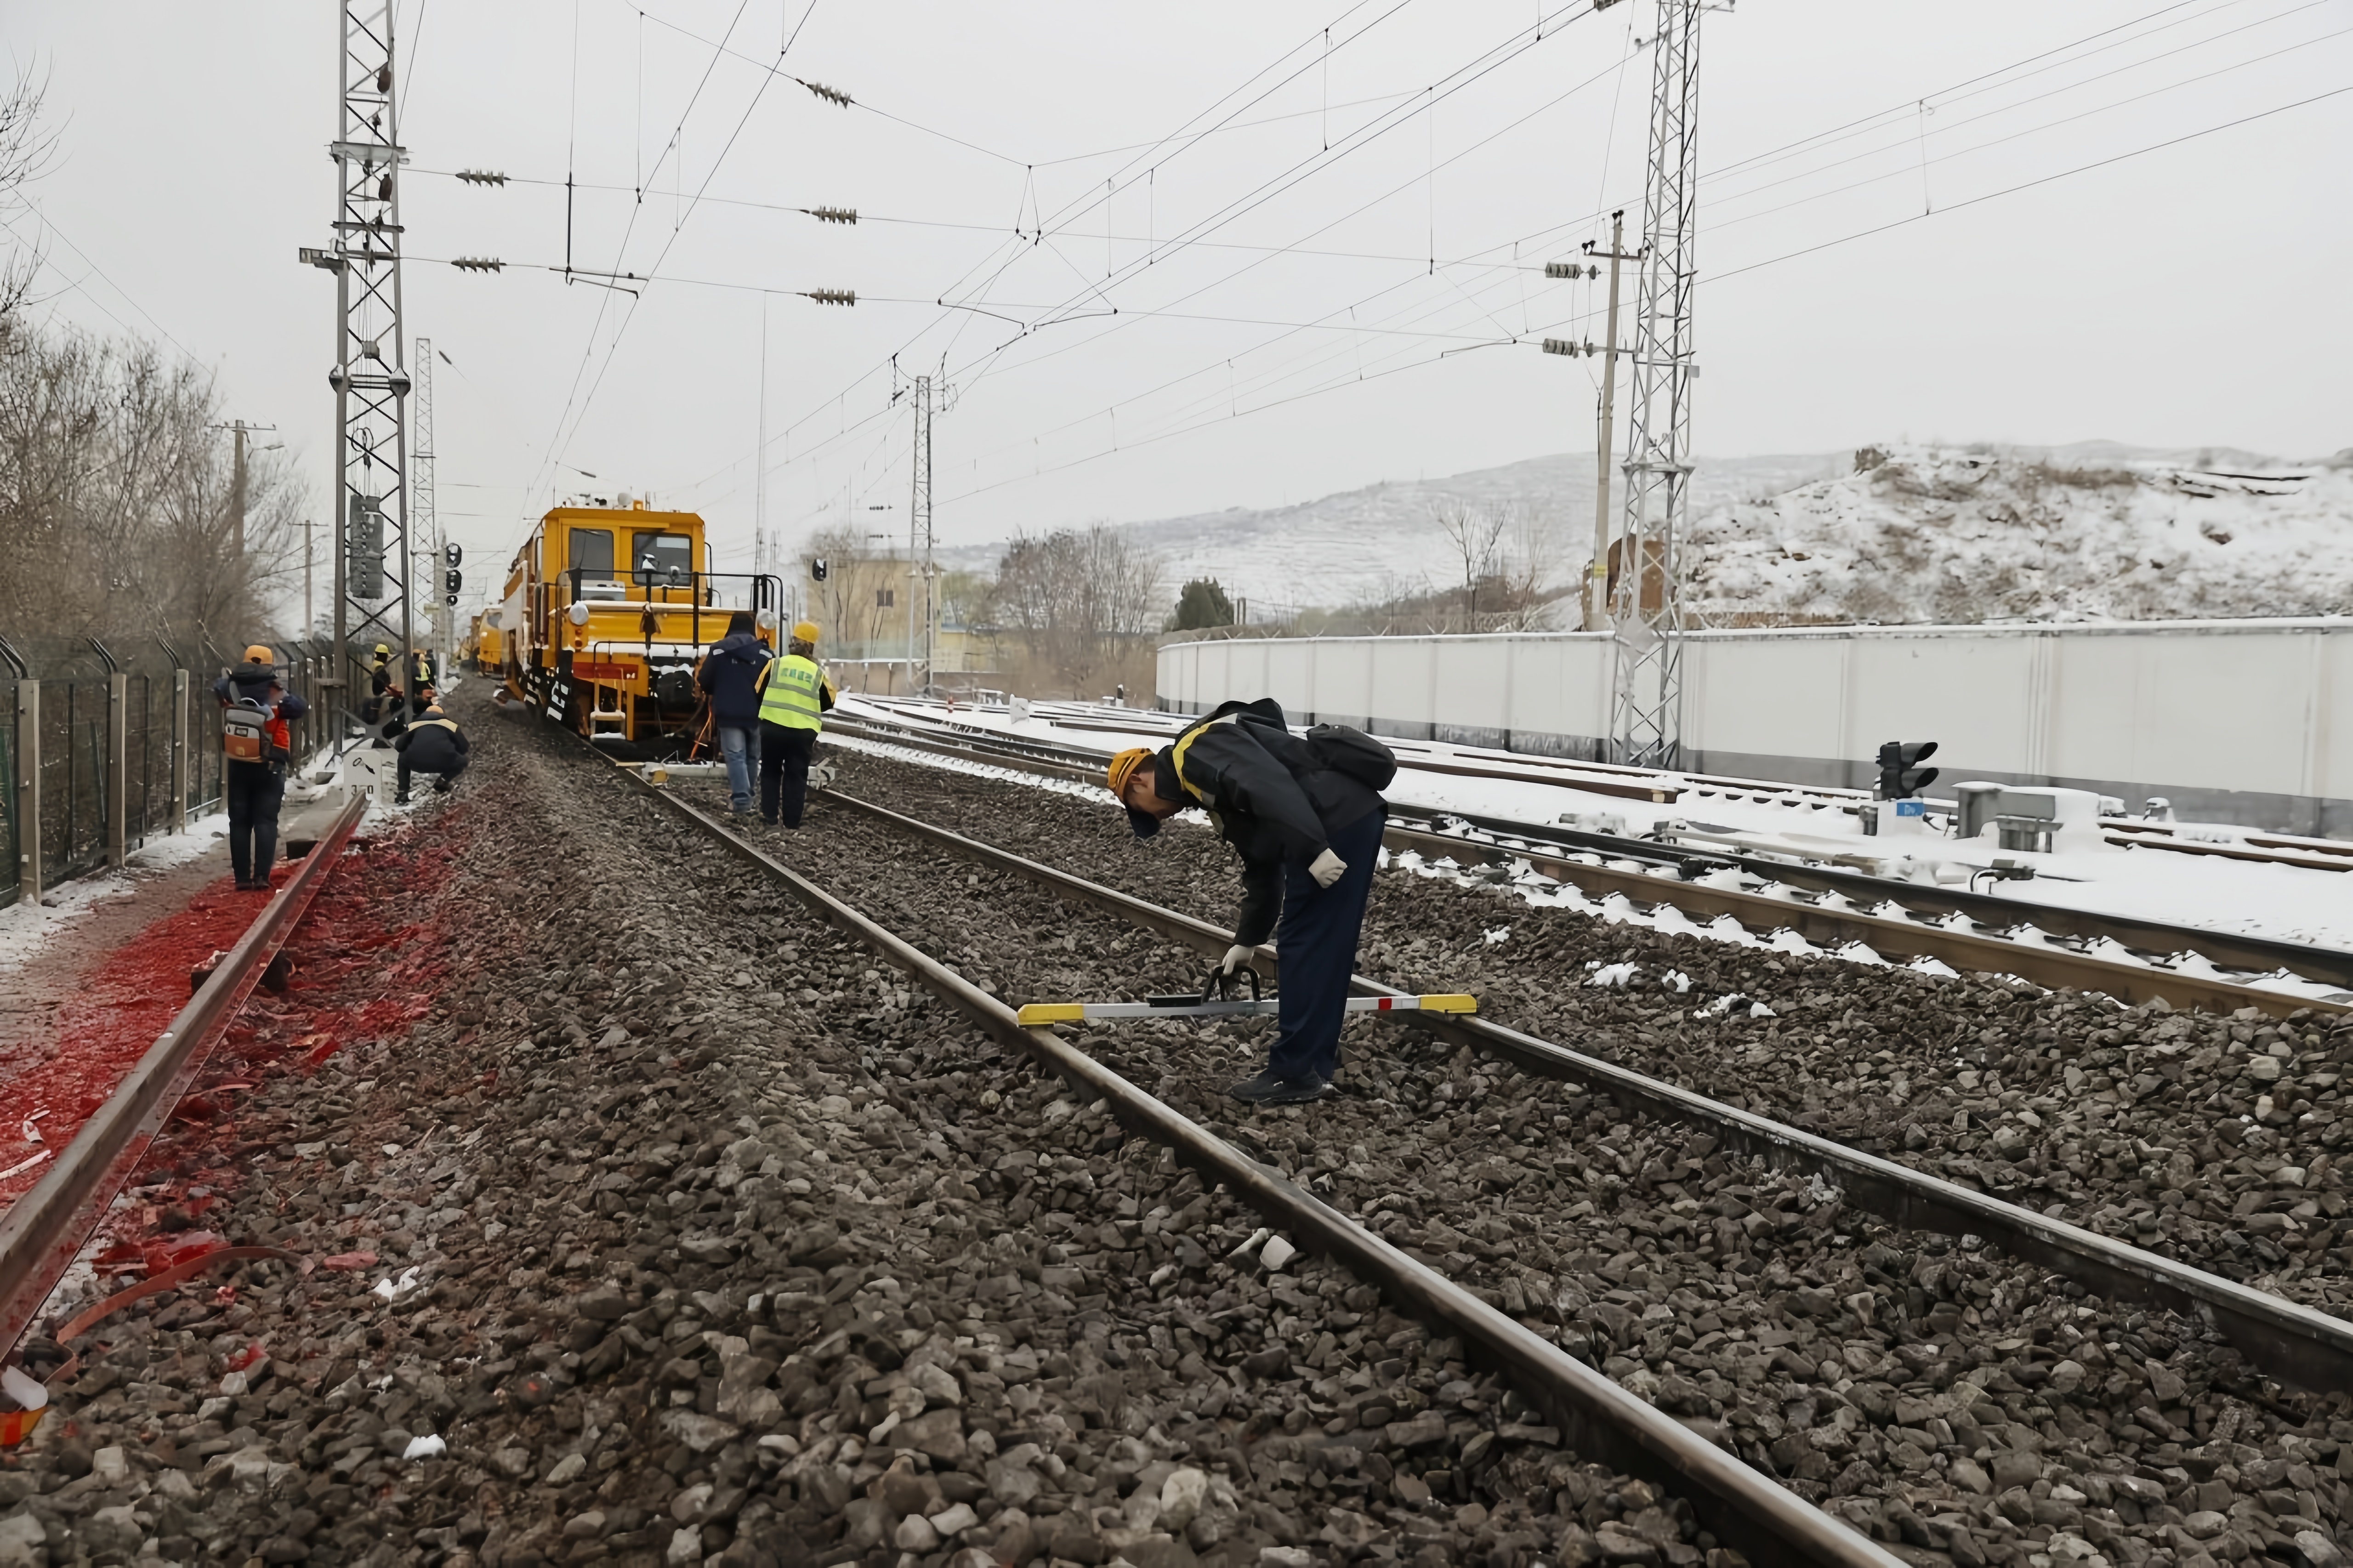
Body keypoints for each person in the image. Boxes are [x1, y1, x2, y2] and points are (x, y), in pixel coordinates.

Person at [1109, 698, 1394, 1106]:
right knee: (1325, 946)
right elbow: (1262, 866)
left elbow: (1267, 785)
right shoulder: (1206, 791)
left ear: (1138, 781)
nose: (1157, 819)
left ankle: (1294, 1072)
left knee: (1302, 944)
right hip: (1348, 814)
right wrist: (1247, 942)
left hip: (1332, 818)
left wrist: (1314, 850)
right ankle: (1311, 1069)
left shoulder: (1194, 751)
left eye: (1142, 812)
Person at [213, 644, 308, 892]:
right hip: (271, 761)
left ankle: (242, 879)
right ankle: (262, 877)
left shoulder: (228, 688)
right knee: (266, 820)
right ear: (269, 666)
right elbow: (299, 708)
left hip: (239, 760)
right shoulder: (275, 691)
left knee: (239, 822)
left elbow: (217, 688)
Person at [755, 620, 835, 828]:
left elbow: (758, 689)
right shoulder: (817, 673)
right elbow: (829, 701)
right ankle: (792, 822)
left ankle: (770, 817)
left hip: (772, 728)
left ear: (793, 643)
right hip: (802, 733)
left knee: (771, 772)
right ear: (812, 647)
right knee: (796, 775)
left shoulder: (776, 664)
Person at [696, 611, 771, 816]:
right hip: (758, 714)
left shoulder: (719, 650)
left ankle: (742, 802)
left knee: (736, 756)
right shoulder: (766, 653)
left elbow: (705, 679)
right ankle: (749, 797)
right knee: (753, 757)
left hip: (729, 713)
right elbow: (772, 683)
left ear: (731, 627)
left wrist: (716, 690)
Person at [392, 704, 468, 803]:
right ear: (443, 715)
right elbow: (464, 748)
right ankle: (443, 780)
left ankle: (403, 792)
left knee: (402, 759)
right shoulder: (450, 725)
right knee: (464, 761)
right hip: (444, 763)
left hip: (417, 763)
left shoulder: (414, 725)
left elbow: (399, 746)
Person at [362, 643, 395, 724]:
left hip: (372, 698)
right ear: (384, 656)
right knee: (376, 721)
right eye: (386, 657)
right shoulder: (379, 667)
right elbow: (386, 682)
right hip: (376, 698)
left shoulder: (375, 664)